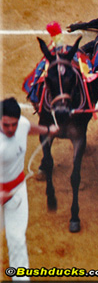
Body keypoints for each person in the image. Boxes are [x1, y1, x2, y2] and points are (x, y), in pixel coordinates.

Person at [0, 97, 59, 281]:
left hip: (17, 191)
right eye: (6, 125)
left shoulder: (21, 125)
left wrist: (48, 130)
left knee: (16, 239)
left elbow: (28, 127)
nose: (11, 129)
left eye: (14, 125)